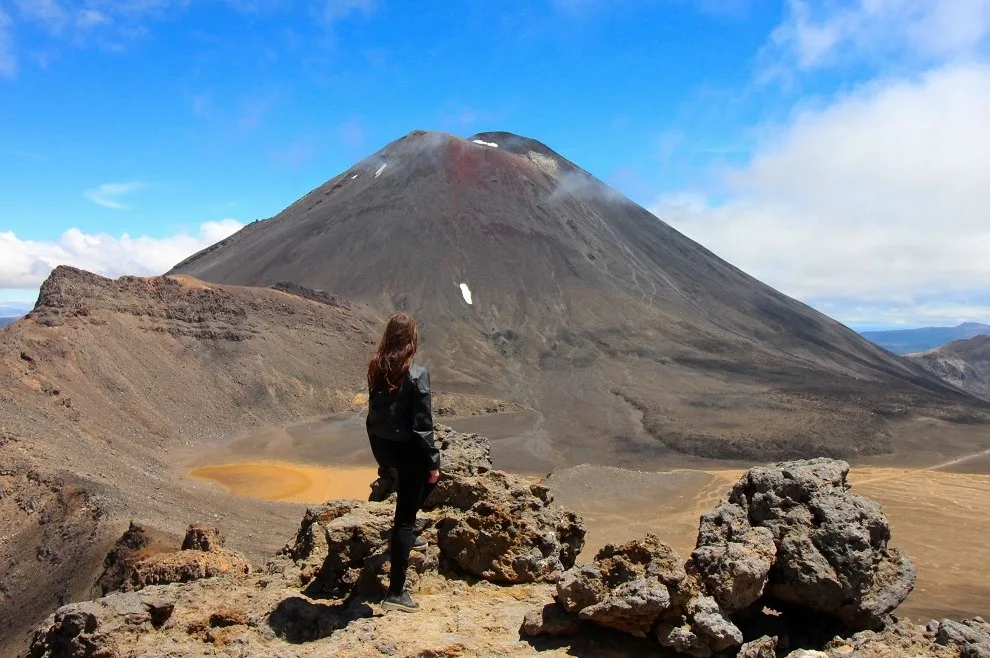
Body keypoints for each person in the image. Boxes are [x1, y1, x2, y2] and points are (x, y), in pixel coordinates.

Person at [365, 312, 441, 613]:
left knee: (406, 515)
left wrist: (382, 457)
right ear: (411, 339)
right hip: (410, 453)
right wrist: (433, 461)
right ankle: (396, 593)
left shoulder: (376, 367)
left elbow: (373, 415)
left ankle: (407, 536)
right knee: (405, 519)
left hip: (388, 450)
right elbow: (423, 424)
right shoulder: (416, 373)